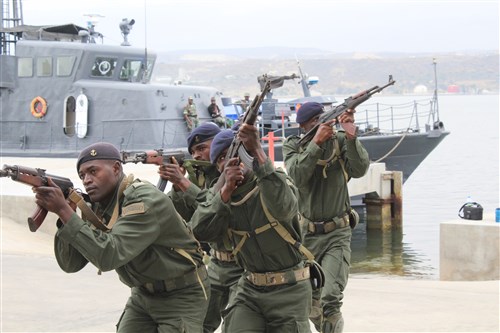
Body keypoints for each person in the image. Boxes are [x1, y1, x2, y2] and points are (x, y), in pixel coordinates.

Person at [33, 142, 210, 333]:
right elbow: (70, 264)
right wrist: (67, 214)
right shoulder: (100, 206)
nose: (86, 180)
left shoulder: (143, 198)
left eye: (93, 171)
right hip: (143, 295)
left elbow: (109, 255)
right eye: (82, 175)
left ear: (116, 168)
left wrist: (62, 209)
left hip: (182, 295)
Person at [191, 126, 313, 332]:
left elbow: (285, 209)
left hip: (290, 291)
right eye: (220, 159)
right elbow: (200, 231)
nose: (227, 161)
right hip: (250, 289)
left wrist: (257, 151)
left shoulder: (272, 181)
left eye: (230, 153)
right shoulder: (223, 197)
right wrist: (225, 192)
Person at [282, 102, 370, 333]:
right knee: (309, 299)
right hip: (306, 236)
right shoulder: (293, 146)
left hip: (337, 233)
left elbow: (360, 170)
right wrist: (316, 143)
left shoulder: (340, 142)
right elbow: (298, 176)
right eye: (316, 122)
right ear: (303, 126)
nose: (324, 125)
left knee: (331, 296)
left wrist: (351, 136)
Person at [159, 123, 244, 333]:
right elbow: (186, 218)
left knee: (237, 324)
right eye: (193, 152)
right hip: (217, 263)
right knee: (197, 322)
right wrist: (178, 185)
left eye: (201, 148)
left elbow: (213, 207)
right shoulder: (198, 176)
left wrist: (183, 182)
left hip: (244, 265)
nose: (196, 156)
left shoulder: (235, 173)